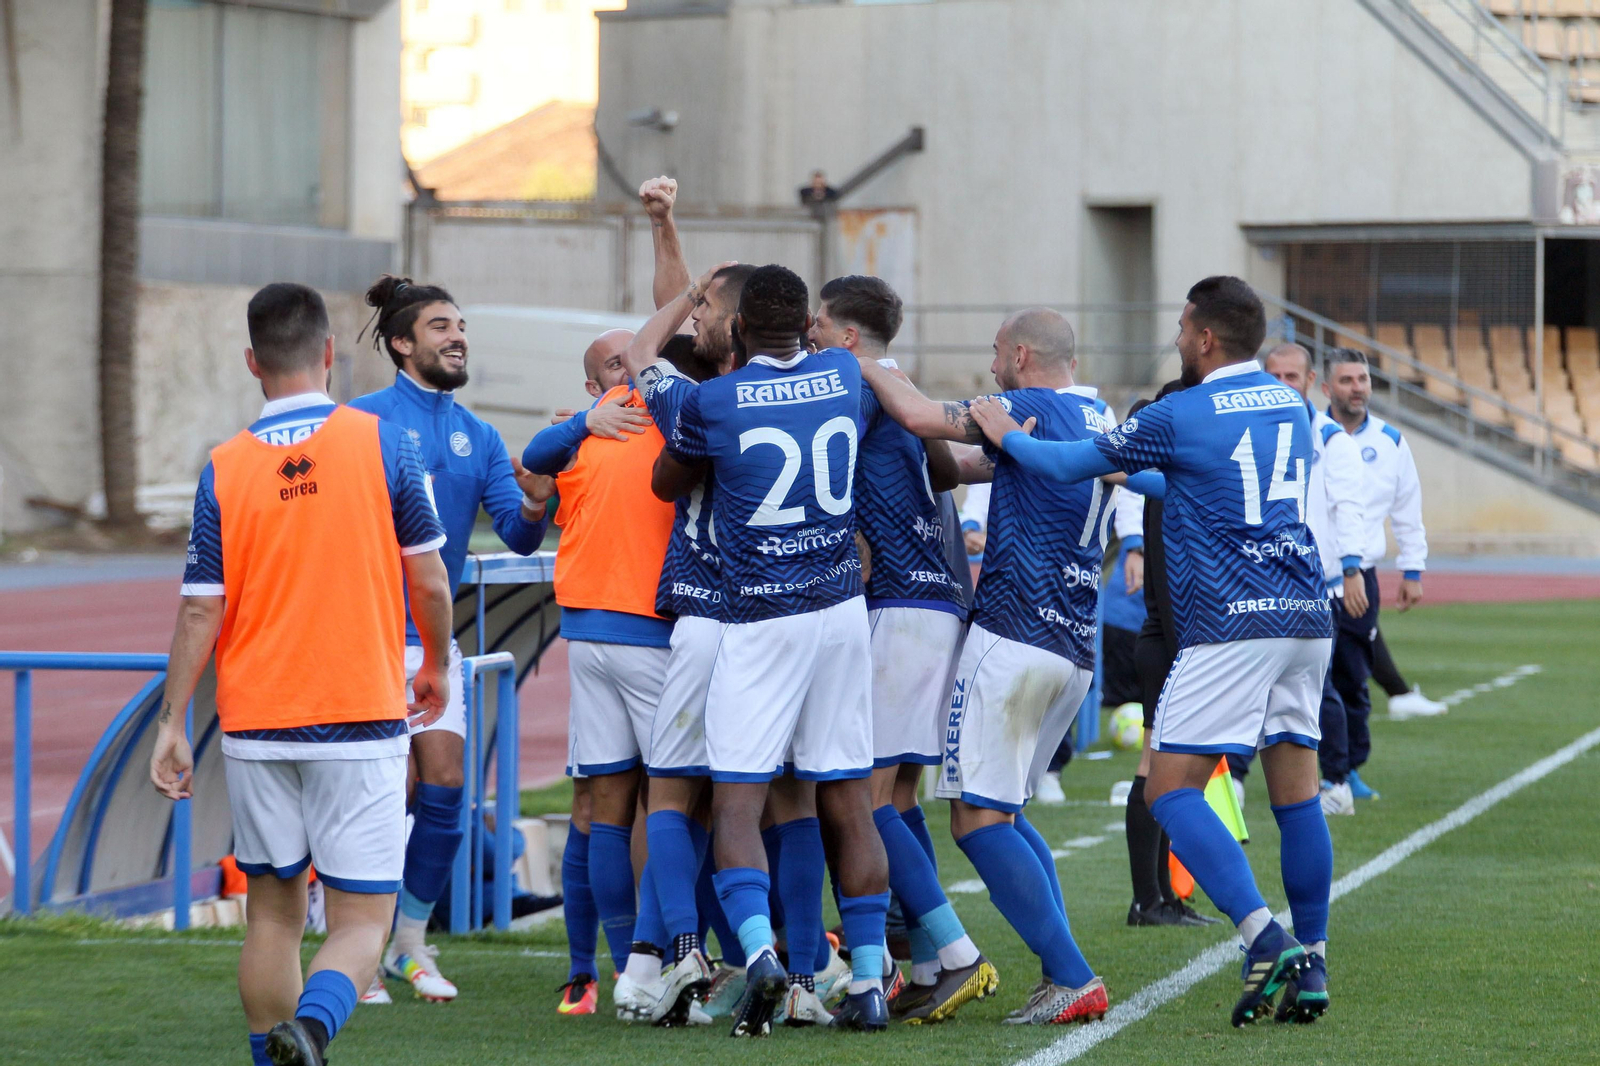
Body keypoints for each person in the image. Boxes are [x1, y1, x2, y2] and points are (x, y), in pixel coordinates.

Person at [967, 276, 1336, 1027]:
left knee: (1170, 790)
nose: (1175, 337)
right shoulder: (1291, 403)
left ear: (1204, 338)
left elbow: (1062, 466)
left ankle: (1264, 938)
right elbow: (1200, 481)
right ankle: (1315, 954)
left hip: (1233, 620)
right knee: (1296, 791)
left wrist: (1004, 433)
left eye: (1181, 327)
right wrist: (1125, 469)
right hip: (1305, 614)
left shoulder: (1181, 409)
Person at [150, 283, 453, 1066]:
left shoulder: (223, 469)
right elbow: (428, 581)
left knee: (273, 917)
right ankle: (312, 1030)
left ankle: (272, 1056)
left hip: (255, 724)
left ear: (252, 362)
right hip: (358, 712)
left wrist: (170, 724)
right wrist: (438, 665)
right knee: (359, 923)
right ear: (329, 353)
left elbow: (196, 613)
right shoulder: (385, 443)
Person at [857, 307, 1135, 1027]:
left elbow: (919, 416)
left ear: (1019, 353)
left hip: (1014, 635)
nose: (987, 369)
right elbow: (971, 464)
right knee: (1001, 812)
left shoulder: (1025, 405)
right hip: (1073, 646)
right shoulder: (1098, 416)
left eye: (992, 354)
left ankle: (1070, 974)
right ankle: (1059, 970)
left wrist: (857, 361)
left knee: (975, 822)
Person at [655, 264, 893, 1036]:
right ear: (806, 325)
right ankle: (866, 980)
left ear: (741, 328)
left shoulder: (714, 399)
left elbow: (651, 400)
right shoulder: (844, 376)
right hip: (841, 611)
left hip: (762, 617)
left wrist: (678, 328)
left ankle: (759, 959)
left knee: (738, 798)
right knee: (848, 797)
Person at [346, 275, 553, 1005]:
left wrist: (540, 492)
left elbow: (523, 535)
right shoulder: (360, 421)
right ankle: (354, 950)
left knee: (443, 791)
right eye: (440, 326)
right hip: (365, 639)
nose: (457, 335)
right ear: (402, 342)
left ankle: (408, 944)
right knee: (380, 797)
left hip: (435, 643)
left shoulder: (483, 434)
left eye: (460, 325)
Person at [806, 275, 997, 1024]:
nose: (810, 335)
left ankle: (956, 951)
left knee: (860, 796)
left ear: (847, 335)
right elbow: (947, 472)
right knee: (899, 797)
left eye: (819, 324)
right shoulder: (899, 384)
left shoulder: (850, 377)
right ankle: (925, 962)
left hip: (898, 602)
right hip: (939, 596)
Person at [521, 325, 676, 1021]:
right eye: (617, 364)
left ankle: (614, 972)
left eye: (639, 359)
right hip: (633, 635)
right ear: (594, 386)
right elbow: (532, 464)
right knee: (655, 804)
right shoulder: (587, 432)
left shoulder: (662, 415)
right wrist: (587, 420)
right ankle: (639, 963)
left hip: (599, 632)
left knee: (611, 806)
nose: (633, 368)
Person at [1120, 383, 1220, 929]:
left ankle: (1162, 897)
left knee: (1170, 773)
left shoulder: (1170, 482)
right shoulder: (1171, 489)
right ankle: (1147, 901)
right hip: (1170, 642)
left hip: (1169, 641)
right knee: (1155, 768)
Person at [1322, 349, 1434, 799]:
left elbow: (1408, 509)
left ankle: (1348, 769)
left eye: (1363, 379)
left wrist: (1412, 568)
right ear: (1326, 387)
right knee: (1307, 679)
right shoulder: (1310, 435)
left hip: (1360, 576)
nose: (1357, 387)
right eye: (1347, 379)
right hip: (1309, 574)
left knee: (1353, 675)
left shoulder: (1390, 442)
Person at [1263, 343, 1366, 817]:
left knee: (1316, 689)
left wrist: (1351, 570)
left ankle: (1338, 780)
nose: (1282, 384)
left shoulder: (1330, 438)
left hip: (1313, 584)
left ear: (1309, 382)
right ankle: (1236, 780)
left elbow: (1349, 507)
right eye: (1274, 375)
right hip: (1260, 579)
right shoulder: (1251, 430)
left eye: (1291, 376)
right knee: (1254, 685)